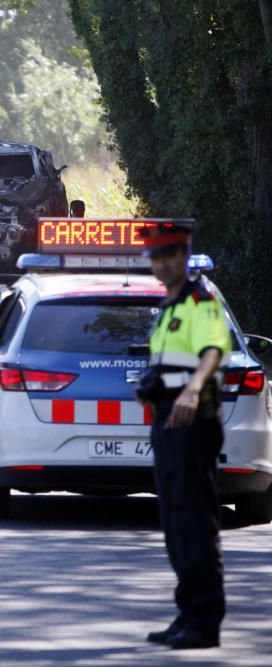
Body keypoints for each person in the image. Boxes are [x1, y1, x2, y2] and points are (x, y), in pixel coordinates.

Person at [137, 220, 230, 650]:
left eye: (171, 254)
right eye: (157, 256)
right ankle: (187, 611)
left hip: (194, 424)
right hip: (168, 426)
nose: (164, 263)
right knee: (175, 526)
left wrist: (192, 389)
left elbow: (213, 349)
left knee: (194, 525)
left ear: (184, 256)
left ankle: (205, 620)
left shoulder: (201, 302)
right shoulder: (168, 308)